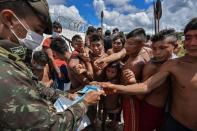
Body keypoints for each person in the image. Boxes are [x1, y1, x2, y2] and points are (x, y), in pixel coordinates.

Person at [0, 0, 104, 130]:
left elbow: (37, 87)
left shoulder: (11, 58)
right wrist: (84, 103)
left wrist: (70, 95)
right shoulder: (5, 70)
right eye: (37, 29)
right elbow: (48, 126)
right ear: (9, 19)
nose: (39, 37)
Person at [100, 17, 197, 131]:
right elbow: (146, 86)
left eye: (162, 48)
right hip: (165, 117)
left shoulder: (160, 59)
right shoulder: (170, 64)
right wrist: (113, 86)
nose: (193, 43)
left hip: (161, 110)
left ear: (176, 46)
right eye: (189, 37)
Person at [138, 29, 178, 131]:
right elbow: (141, 95)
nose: (157, 53)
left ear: (175, 46)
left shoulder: (177, 62)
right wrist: (132, 82)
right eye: (154, 49)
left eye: (162, 48)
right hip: (152, 109)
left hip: (172, 111)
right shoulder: (151, 66)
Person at [102, 61, 122, 131]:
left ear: (117, 73)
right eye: (108, 71)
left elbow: (107, 84)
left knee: (114, 123)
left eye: (113, 72)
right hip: (106, 105)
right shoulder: (106, 79)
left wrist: (96, 83)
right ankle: (103, 127)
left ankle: (113, 127)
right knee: (104, 119)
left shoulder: (116, 81)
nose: (109, 74)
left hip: (115, 107)